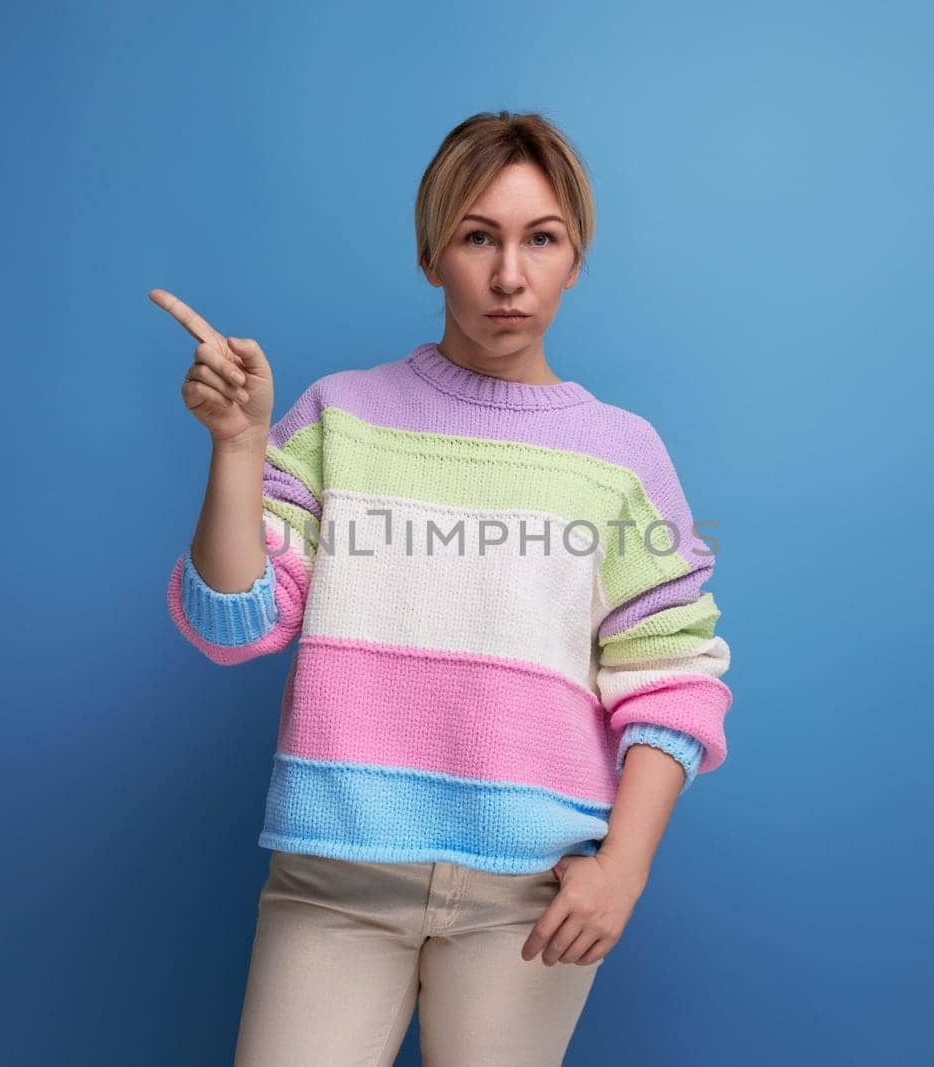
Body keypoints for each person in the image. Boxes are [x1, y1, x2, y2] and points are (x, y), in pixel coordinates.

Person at [151, 110, 733, 1066]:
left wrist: (621, 871)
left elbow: (674, 676)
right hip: (335, 879)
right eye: (478, 237)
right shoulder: (342, 415)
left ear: (575, 258)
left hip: (530, 895)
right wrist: (239, 447)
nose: (510, 274)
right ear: (433, 256)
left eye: (540, 238)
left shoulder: (621, 457)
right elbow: (232, 622)